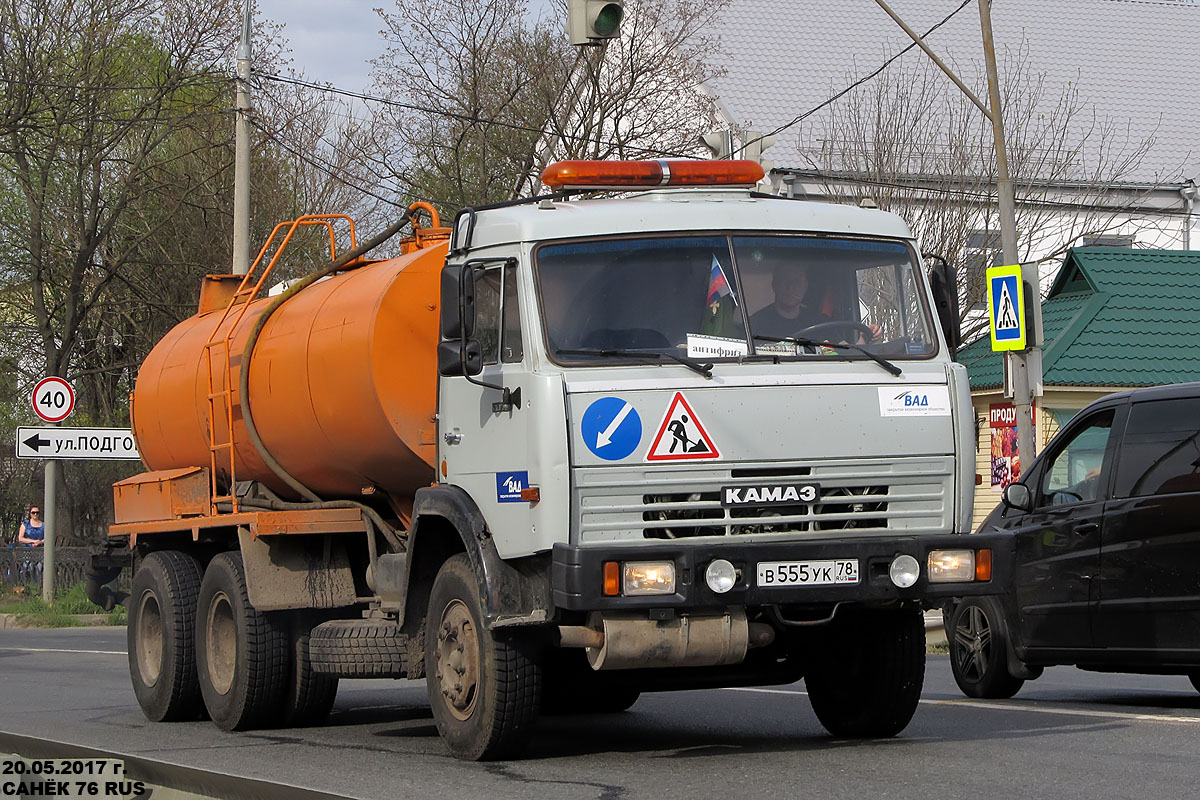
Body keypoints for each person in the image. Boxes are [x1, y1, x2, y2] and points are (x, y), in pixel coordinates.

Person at [749, 263, 830, 340]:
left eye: (797, 281)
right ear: (774, 284)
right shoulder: (754, 325)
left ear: (805, 286)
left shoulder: (818, 324)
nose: (790, 288)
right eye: (785, 280)